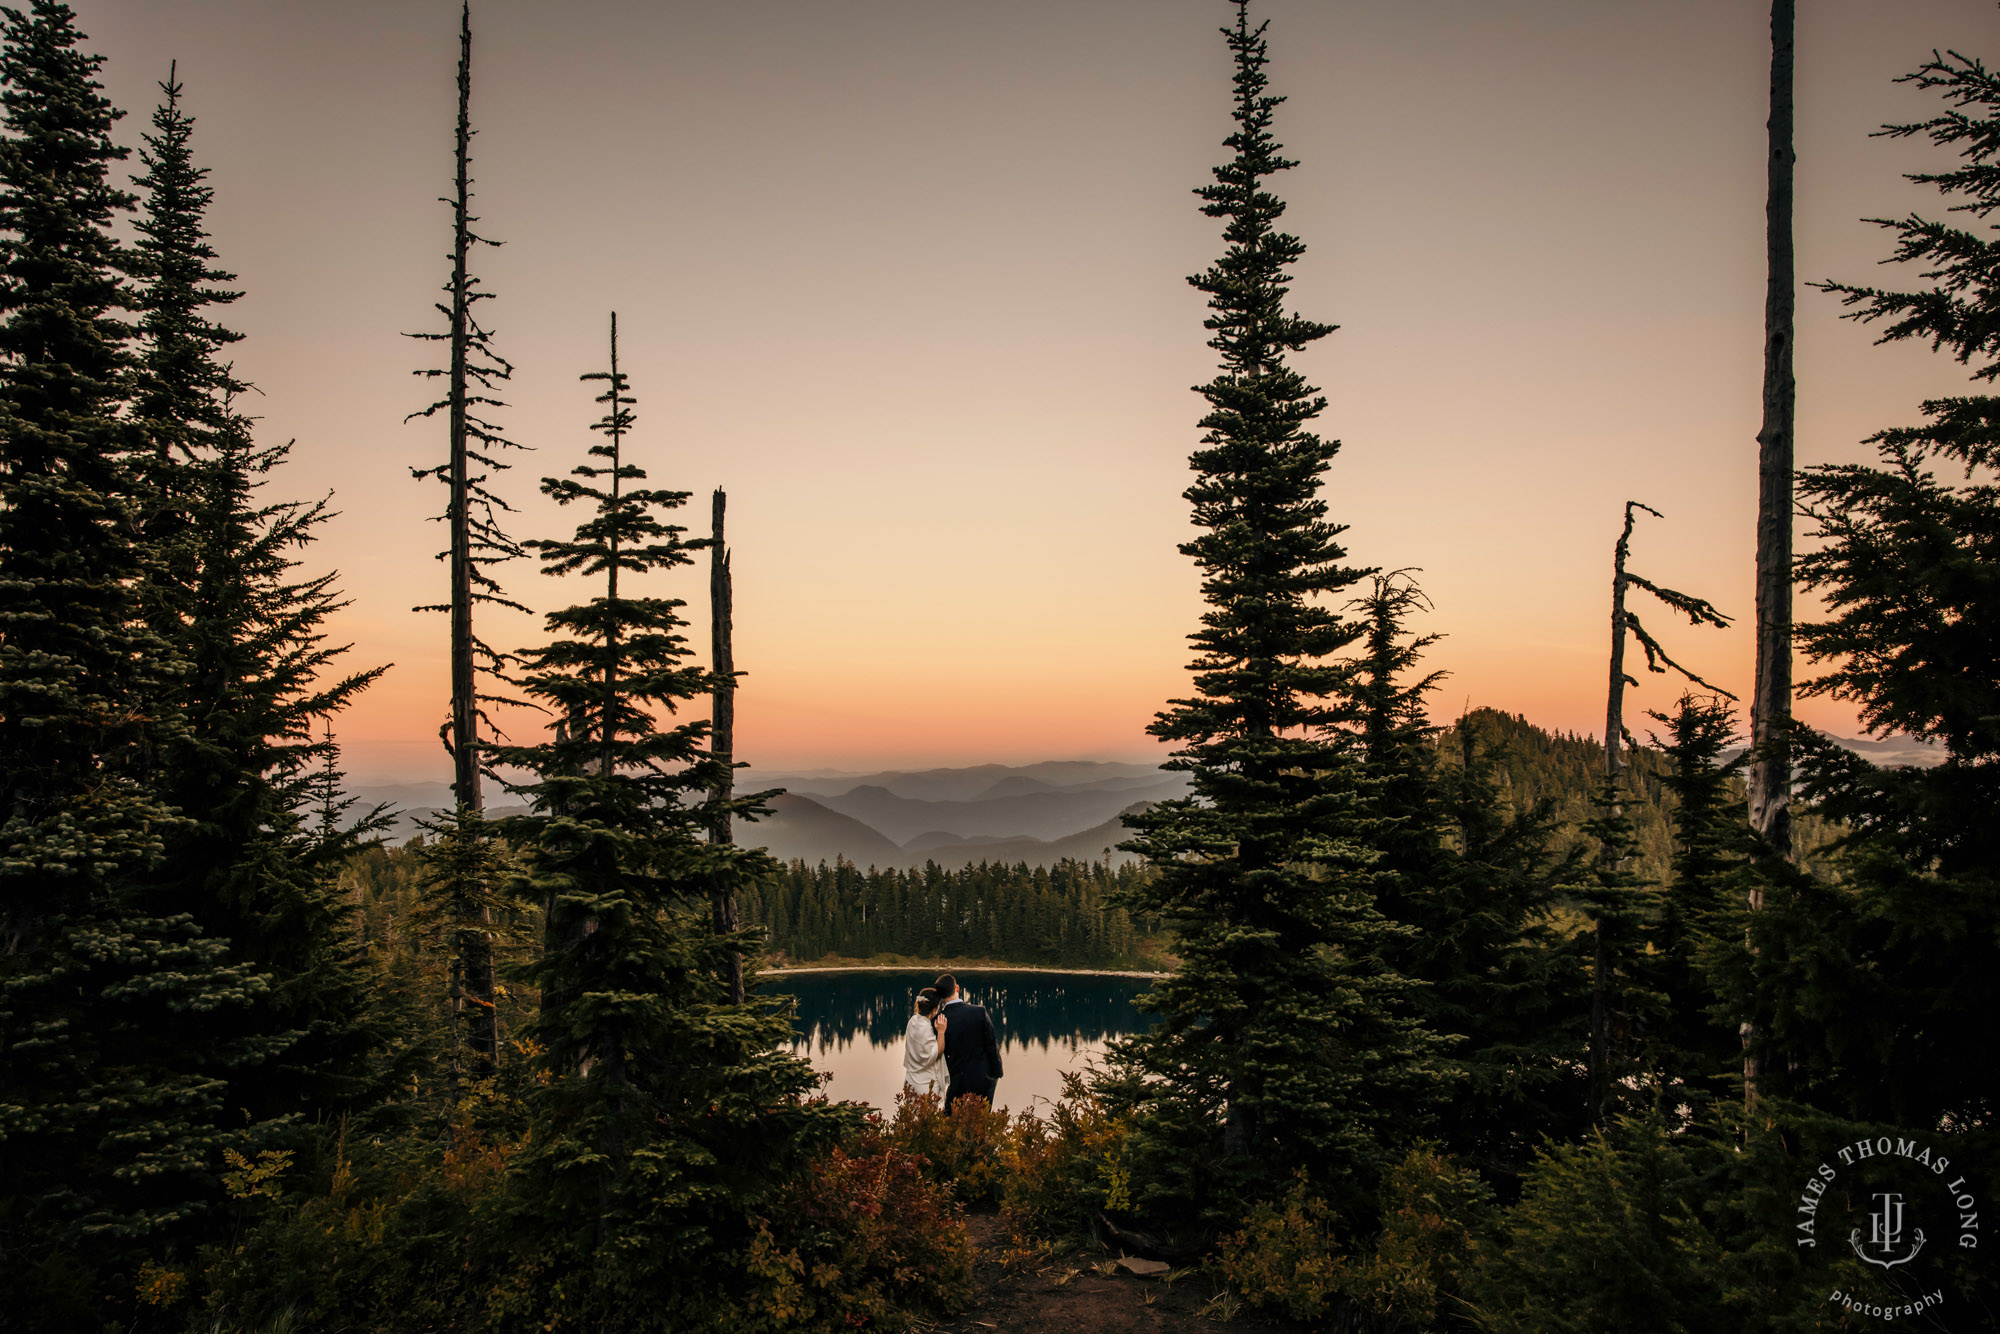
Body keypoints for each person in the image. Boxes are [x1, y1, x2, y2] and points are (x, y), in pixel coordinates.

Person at [933, 973, 1002, 1111]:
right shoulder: (979, 1012)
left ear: (940, 997)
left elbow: (939, 1052)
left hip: (957, 1082)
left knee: (951, 1122)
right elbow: (991, 1045)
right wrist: (997, 1072)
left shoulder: (938, 1021)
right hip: (983, 1077)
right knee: (981, 1123)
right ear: (957, 988)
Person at [902, 986, 948, 1098]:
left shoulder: (912, 1021)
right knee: (928, 1114)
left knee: (910, 1113)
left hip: (910, 1080)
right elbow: (937, 1053)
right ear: (935, 1009)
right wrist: (941, 1032)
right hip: (927, 1084)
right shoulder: (926, 1028)